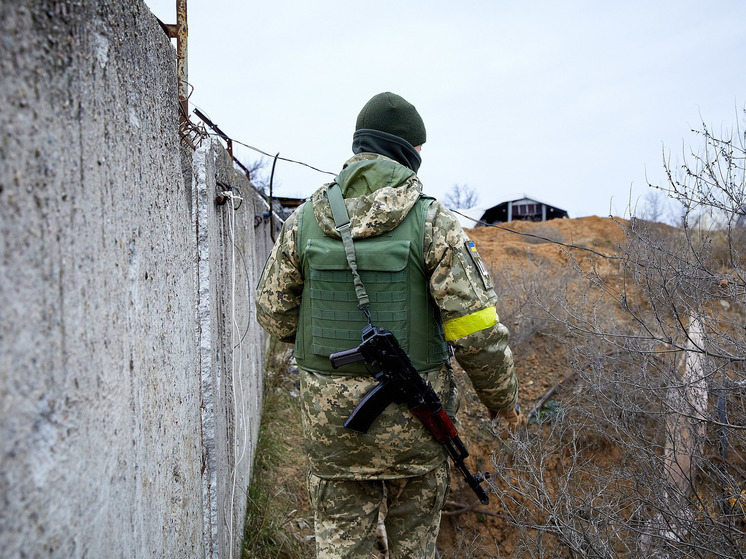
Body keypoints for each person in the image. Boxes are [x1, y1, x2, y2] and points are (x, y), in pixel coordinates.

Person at [256, 92, 521, 559]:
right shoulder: (432, 220)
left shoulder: (305, 219)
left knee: (339, 547)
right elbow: (476, 331)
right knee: (414, 548)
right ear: (409, 151)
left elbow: (273, 314)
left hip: (331, 426)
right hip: (415, 428)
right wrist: (503, 402)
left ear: (360, 145)